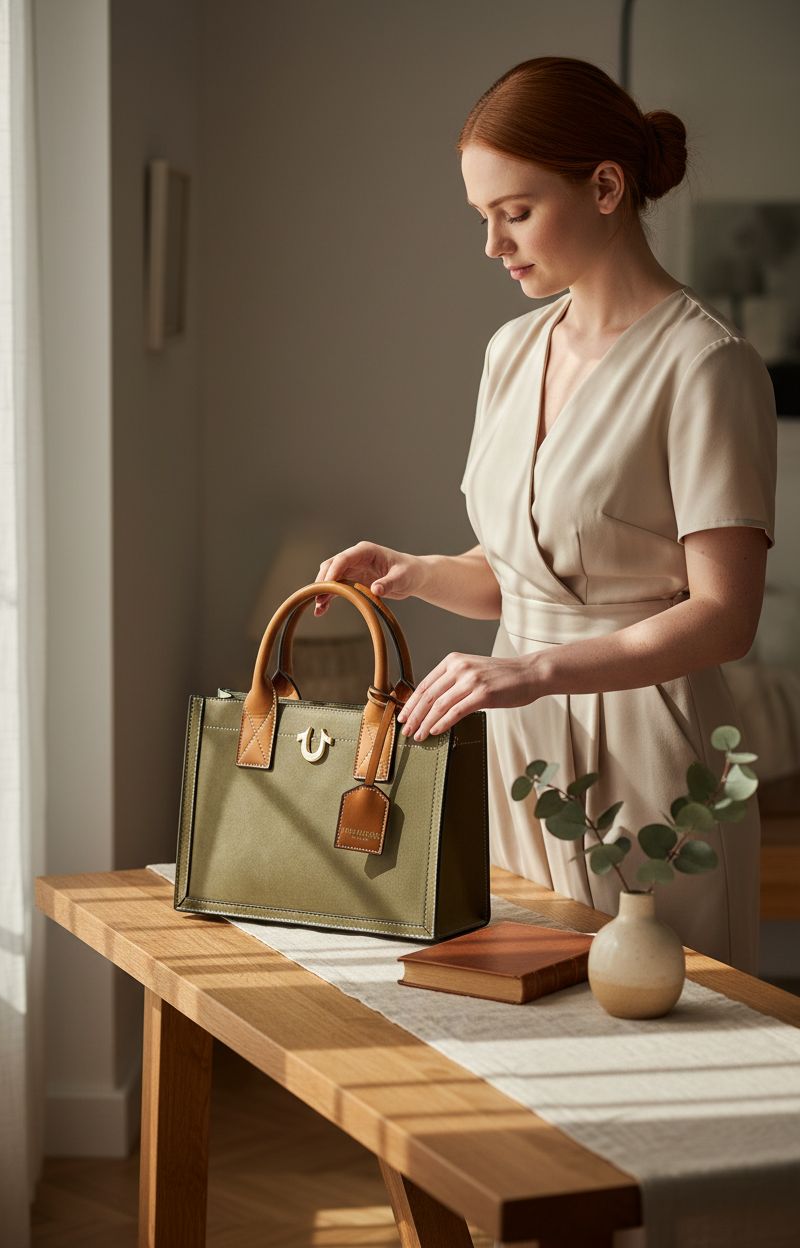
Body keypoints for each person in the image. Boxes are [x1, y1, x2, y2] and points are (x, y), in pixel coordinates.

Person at [312, 56, 777, 976]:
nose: (492, 245)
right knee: (519, 1013)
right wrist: (413, 571)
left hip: (650, 752)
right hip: (519, 749)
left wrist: (535, 670)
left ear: (606, 186)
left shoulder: (706, 366)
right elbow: (524, 575)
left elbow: (726, 618)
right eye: (481, 217)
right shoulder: (512, 349)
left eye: (513, 213)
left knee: (647, 1031)